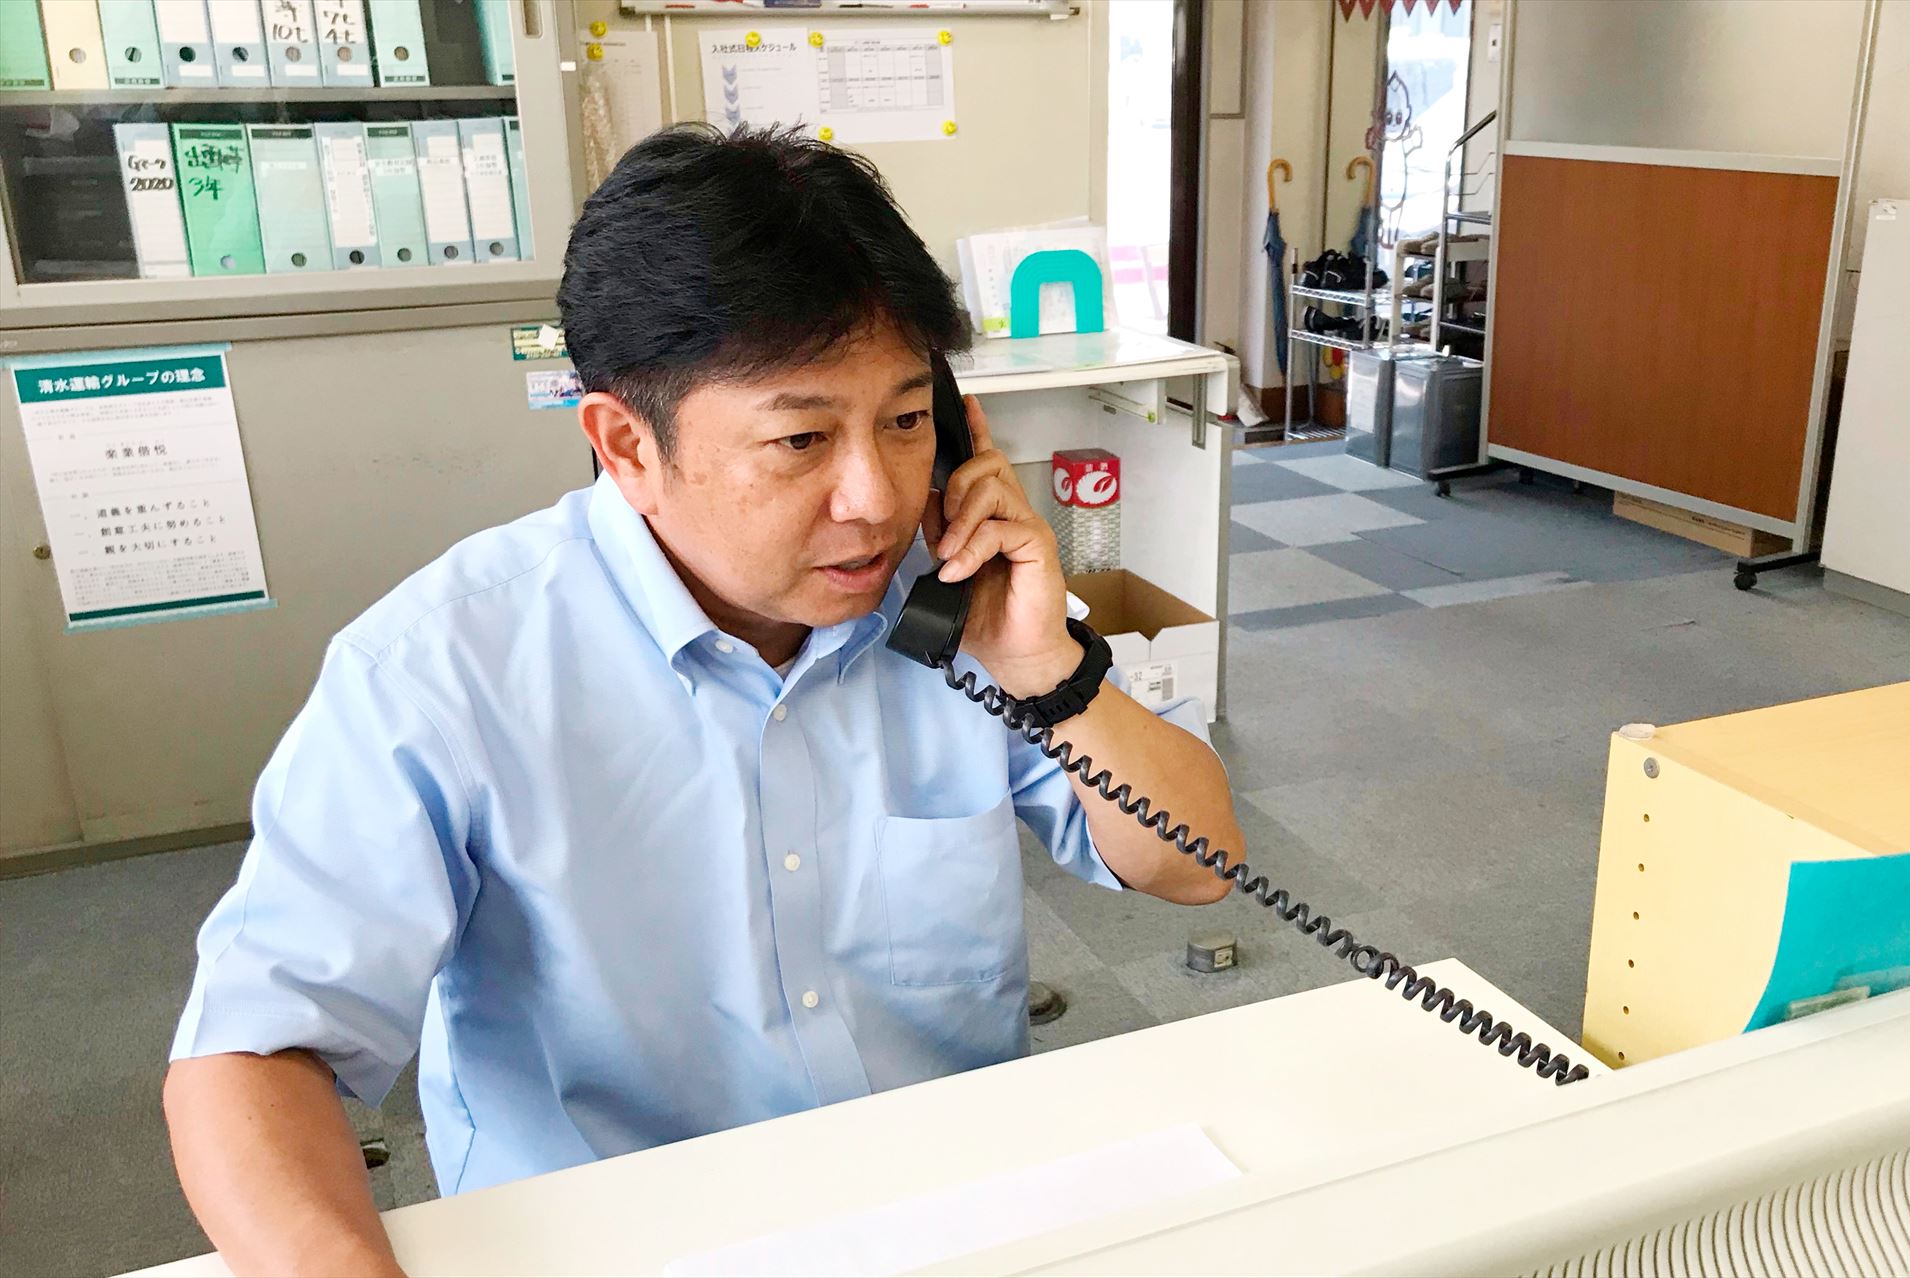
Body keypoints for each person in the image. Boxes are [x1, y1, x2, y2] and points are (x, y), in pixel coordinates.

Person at [162, 123, 1244, 1276]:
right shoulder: (441, 670)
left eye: (905, 420)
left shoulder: (959, 603)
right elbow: (251, 1055)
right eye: (801, 438)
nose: (875, 499)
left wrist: (1049, 671)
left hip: (947, 1214)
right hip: (610, 1246)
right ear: (625, 445)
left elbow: (1196, 864)